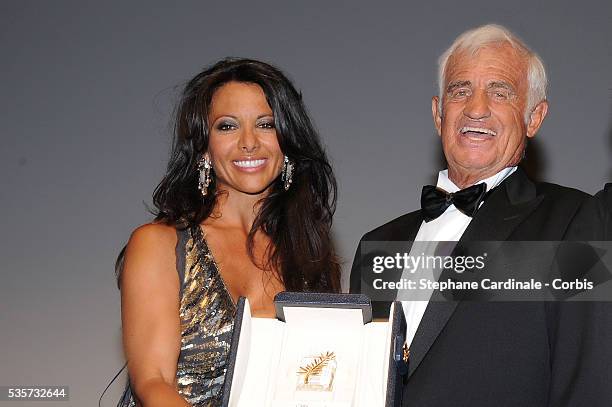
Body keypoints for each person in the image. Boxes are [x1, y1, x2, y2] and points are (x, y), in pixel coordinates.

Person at [350, 24, 612, 406]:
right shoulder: (376, 245)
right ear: (439, 114)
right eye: (460, 90)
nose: (476, 108)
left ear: (534, 117)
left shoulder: (575, 222)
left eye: (499, 91)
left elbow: (587, 383)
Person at [117, 58, 341, 407]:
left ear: (288, 141)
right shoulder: (160, 244)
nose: (249, 142)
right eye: (227, 127)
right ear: (204, 146)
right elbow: (153, 382)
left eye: (266, 124)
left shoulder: (312, 257)